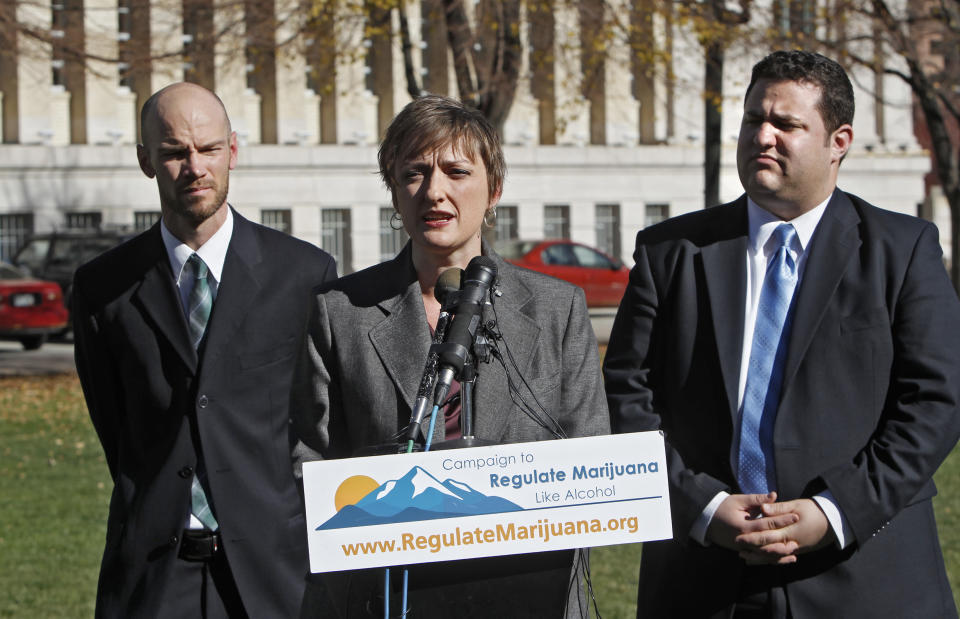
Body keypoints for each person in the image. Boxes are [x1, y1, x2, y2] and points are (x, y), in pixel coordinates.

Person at [603, 50, 960, 618]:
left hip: (864, 576)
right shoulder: (670, 251)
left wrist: (835, 510)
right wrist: (703, 505)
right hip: (703, 580)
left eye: (786, 125)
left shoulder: (903, 250)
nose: (761, 136)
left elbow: (935, 403)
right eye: (753, 120)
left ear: (838, 140)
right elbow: (626, 396)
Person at [292, 94, 609, 617]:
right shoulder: (340, 312)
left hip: (529, 590)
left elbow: (590, 453)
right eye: (415, 172)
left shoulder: (558, 308)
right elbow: (307, 461)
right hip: (386, 595)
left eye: (456, 171)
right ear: (395, 192)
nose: (434, 191)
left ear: (494, 191)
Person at [73, 82, 337, 618]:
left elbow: (315, 424)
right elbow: (116, 431)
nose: (195, 166)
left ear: (232, 151)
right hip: (152, 576)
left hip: (272, 576)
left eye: (209, 149)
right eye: (174, 152)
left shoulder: (304, 275)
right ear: (146, 161)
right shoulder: (102, 289)